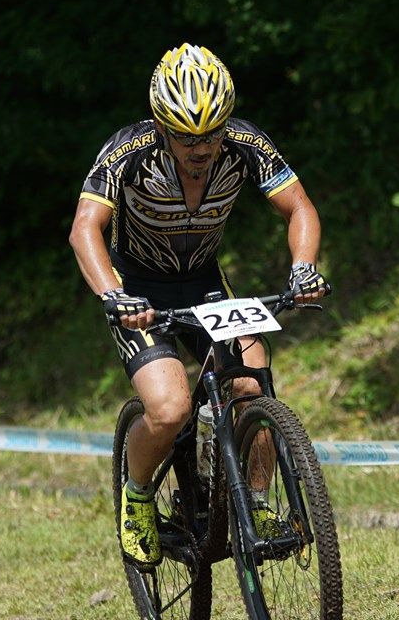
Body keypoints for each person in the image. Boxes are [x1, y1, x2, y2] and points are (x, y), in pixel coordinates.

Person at [69, 43, 329, 568]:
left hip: (205, 283)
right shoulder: (127, 151)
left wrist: (303, 267)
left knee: (252, 385)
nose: (202, 147)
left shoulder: (245, 144)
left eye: (211, 134)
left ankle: (255, 504)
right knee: (169, 409)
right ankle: (138, 495)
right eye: (187, 137)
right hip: (138, 290)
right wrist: (114, 296)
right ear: (162, 126)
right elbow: (84, 229)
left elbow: (298, 207)